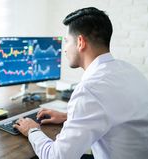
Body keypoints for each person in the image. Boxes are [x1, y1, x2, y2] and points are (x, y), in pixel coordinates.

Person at [13, 7, 148, 159]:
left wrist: (32, 130)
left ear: (80, 42)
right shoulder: (128, 70)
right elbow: (113, 111)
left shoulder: (90, 89)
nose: (64, 49)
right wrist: (68, 116)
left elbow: (56, 157)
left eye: (66, 41)